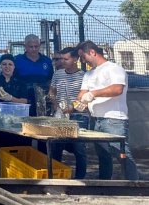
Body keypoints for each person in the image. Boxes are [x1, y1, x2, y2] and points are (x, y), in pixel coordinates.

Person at [76, 41, 139, 180]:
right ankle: (105, 183)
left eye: (83, 57)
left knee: (121, 153)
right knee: (103, 155)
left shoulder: (113, 68)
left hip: (114, 118)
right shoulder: (89, 74)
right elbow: (82, 92)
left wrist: (93, 94)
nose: (83, 61)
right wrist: (81, 100)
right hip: (95, 118)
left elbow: (117, 89)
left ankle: (134, 183)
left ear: (92, 52)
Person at [49, 46, 87, 179]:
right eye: (61, 59)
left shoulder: (83, 76)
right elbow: (52, 91)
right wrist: (55, 104)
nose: (62, 62)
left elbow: (84, 98)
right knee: (56, 146)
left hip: (78, 116)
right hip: (60, 115)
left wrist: (73, 108)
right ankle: (56, 175)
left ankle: (80, 178)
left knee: (79, 148)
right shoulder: (58, 74)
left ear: (75, 59)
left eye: (66, 59)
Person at [14, 34, 54, 116]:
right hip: (23, 98)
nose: (34, 49)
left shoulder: (47, 61)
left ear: (39, 46)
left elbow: (51, 80)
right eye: (31, 47)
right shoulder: (17, 60)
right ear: (25, 46)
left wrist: (50, 95)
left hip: (42, 99)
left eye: (36, 46)